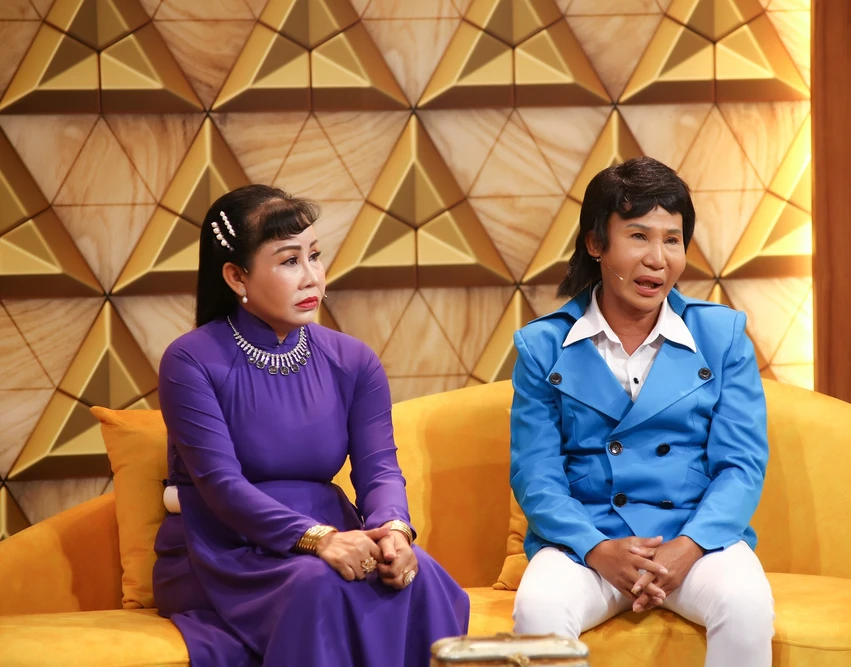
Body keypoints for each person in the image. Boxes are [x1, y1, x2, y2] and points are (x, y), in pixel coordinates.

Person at [152, 185, 470, 667]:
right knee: (319, 584)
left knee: (418, 574)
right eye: (289, 261)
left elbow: (380, 469)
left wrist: (393, 531)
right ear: (236, 276)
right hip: (224, 548)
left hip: (336, 534)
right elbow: (220, 486)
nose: (312, 277)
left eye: (314, 256)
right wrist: (318, 539)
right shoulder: (190, 360)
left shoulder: (353, 360)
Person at [508, 157, 774, 666]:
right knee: (539, 610)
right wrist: (596, 549)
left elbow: (741, 466)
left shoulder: (721, 336)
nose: (658, 259)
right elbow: (535, 475)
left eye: (672, 240)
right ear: (596, 243)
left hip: (695, 540)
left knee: (746, 605)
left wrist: (689, 546)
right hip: (588, 544)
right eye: (638, 236)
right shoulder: (543, 346)